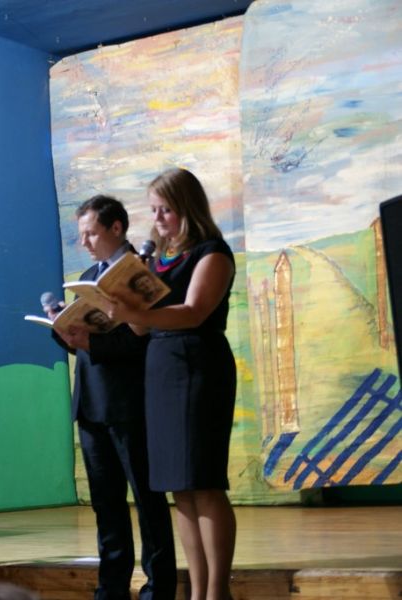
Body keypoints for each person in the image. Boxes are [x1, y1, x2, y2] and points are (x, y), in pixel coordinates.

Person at [107, 168, 237, 600]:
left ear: (187, 208)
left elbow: (194, 311)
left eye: (166, 210)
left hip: (198, 364)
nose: (158, 219)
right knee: (180, 487)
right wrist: (124, 303)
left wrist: (136, 312)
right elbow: (142, 329)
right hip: (161, 367)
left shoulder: (212, 252)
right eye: (154, 210)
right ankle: (196, 590)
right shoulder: (156, 262)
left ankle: (217, 591)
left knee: (204, 481)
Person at [47, 195, 176, 600]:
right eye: (80, 234)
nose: (84, 242)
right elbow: (84, 342)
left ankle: (158, 589)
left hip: (130, 402)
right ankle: (112, 589)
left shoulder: (141, 270)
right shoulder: (88, 276)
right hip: (90, 404)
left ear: (116, 228)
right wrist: (62, 331)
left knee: (148, 502)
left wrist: (91, 343)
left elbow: (144, 340)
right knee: (106, 504)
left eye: (91, 233)